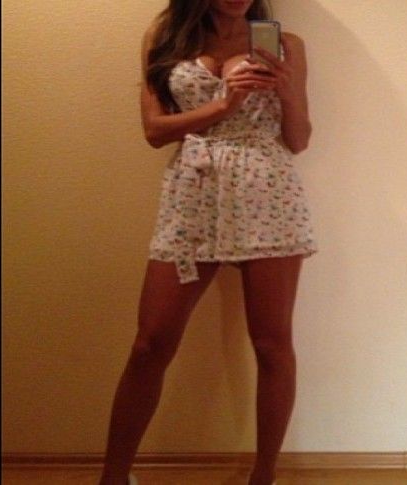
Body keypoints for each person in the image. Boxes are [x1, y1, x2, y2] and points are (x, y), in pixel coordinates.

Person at [99, 1, 318, 484]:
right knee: (150, 344)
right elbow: (154, 131)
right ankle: (113, 477)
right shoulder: (165, 37)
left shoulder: (287, 45)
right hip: (192, 192)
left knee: (272, 345)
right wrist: (225, 104)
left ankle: (263, 477)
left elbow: (299, 139)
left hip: (267, 193)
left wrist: (285, 90)